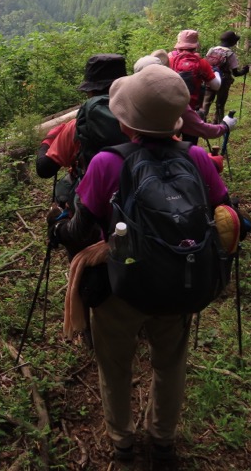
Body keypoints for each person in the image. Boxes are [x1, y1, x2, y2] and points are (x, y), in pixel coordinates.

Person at [48, 64, 230, 468]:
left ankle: (123, 443)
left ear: (126, 123)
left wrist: (59, 223)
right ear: (179, 119)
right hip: (182, 279)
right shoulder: (198, 157)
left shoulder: (108, 163)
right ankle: (163, 441)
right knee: (170, 364)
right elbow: (225, 211)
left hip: (120, 285)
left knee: (115, 365)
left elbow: (80, 229)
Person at [36, 53, 128, 222]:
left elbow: (44, 169)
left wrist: (48, 140)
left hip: (97, 206)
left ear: (90, 90)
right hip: (138, 197)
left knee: (64, 187)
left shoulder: (78, 125)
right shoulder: (142, 115)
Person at [135, 54, 236, 145]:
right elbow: (216, 86)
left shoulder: (130, 97)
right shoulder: (172, 98)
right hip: (168, 146)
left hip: (135, 148)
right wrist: (225, 126)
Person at [168, 30, 220, 144]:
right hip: (192, 110)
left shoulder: (169, 60)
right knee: (190, 146)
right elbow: (216, 86)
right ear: (195, 46)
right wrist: (216, 73)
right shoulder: (202, 63)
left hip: (171, 110)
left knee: (169, 144)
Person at [201, 30, 250, 124]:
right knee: (220, 103)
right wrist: (244, 71)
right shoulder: (230, 54)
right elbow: (235, 73)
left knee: (206, 101)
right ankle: (218, 123)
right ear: (232, 42)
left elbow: (206, 63)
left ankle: (201, 121)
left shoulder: (212, 50)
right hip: (223, 80)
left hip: (210, 77)